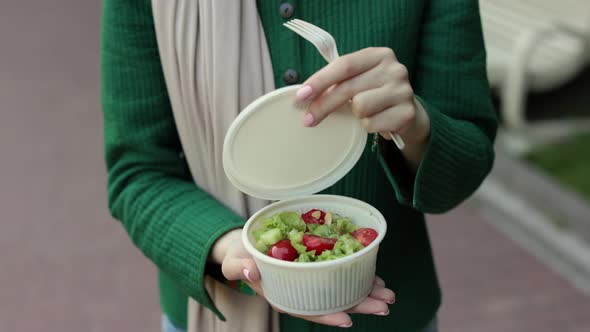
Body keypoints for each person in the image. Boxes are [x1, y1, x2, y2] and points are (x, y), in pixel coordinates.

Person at [101, 1, 497, 331]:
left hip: (390, 317)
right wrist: (237, 252)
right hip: (214, 314)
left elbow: (465, 167)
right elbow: (138, 174)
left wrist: (415, 123)